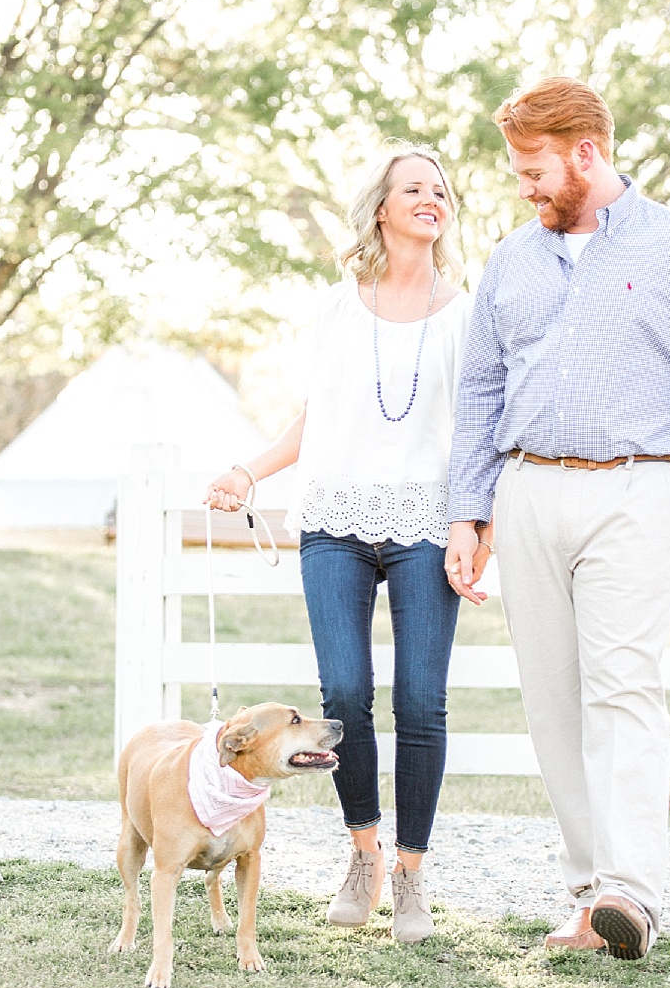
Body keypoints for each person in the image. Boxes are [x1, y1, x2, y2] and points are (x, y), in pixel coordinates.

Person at [445, 76, 670, 961]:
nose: (522, 185)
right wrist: (466, 512)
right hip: (526, 490)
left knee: (622, 686)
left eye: (534, 168)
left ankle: (631, 890)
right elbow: (480, 391)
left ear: (587, 153)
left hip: (636, 489)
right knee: (553, 700)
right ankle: (587, 894)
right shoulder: (511, 260)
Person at [206, 144, 491, 945]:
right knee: (342, 696)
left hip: (426, 526)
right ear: (381, 207)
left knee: (422, 701)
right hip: (332, 520)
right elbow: (315, 418)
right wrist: (247, 470)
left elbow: (477, 431)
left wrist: (479, 526)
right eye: (415, 188)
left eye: (441, 189)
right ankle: (363, 854)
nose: (432, 198)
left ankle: (411, 872)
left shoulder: (464, 312)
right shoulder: (337, 307)